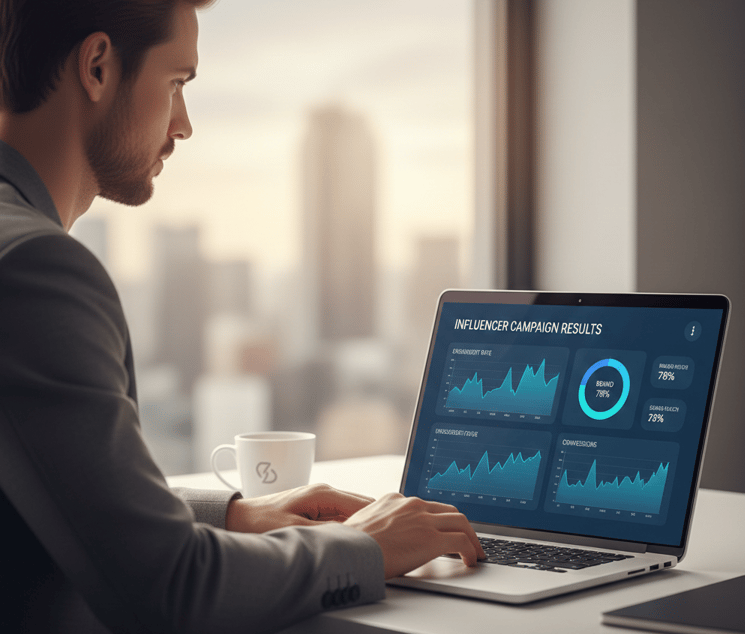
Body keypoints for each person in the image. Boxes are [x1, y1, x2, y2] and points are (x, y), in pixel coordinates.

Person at [0, 1, 485, 632]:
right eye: (176, 83)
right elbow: (171, 589)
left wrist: (231, 514)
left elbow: (47, 484)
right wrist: (368, 544)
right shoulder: (37, 268)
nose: (185, 124)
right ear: (97, 67)